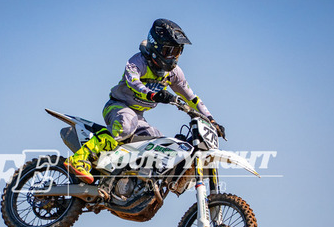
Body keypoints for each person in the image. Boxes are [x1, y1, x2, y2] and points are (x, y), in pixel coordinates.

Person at [64, 18, 225, 184]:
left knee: (158, 141)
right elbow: (133, 82)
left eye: (177, 52)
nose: (173, 57)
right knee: (126, 125)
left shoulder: (174, 73)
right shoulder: (138, 61)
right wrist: (154, 95)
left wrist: (211, 120)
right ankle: (79, 158)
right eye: (169, 51)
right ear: (156, 47)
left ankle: (135, 185)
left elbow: (192, 98)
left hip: (138, 116)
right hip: (117, 106)